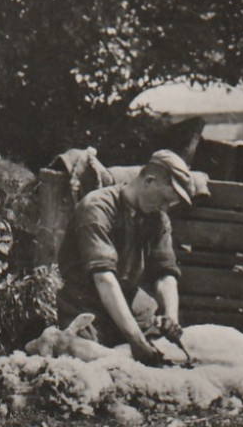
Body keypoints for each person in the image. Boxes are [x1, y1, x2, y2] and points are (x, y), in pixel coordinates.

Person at [55, 149, 193, 364]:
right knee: (88, 362)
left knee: (167, 354)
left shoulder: (157, 218)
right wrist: (136, 340)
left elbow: (165, 273)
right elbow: (104, 279)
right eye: (165, 199)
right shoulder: (97, 208)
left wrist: (171, 319)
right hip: (86, 304)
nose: (165, 208)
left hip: (130, 302)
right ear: (149, 181)